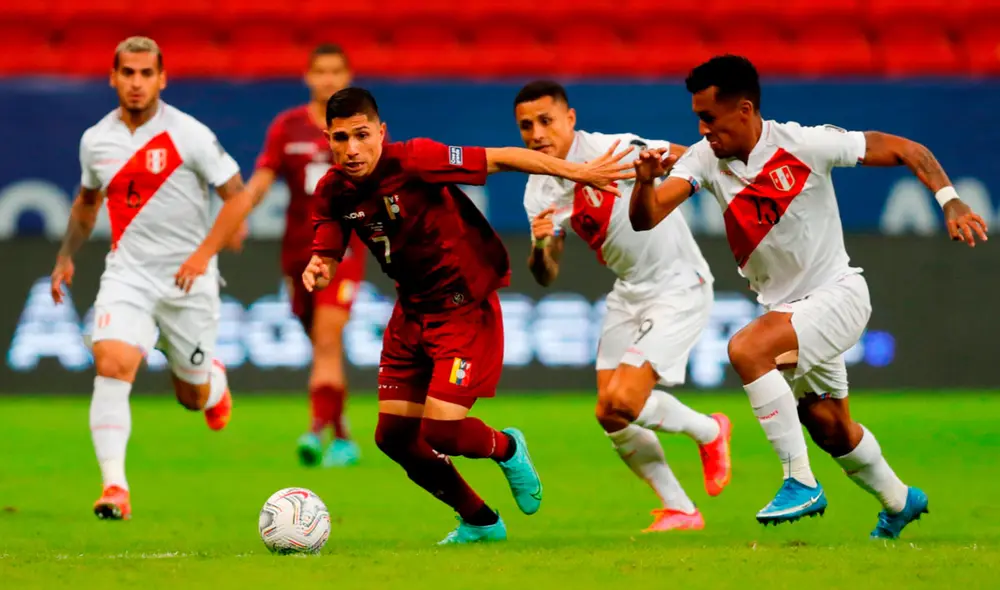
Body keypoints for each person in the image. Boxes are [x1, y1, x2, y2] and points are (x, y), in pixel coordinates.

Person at [629, 54, 988, 539]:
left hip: (838, 295)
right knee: (829, 427)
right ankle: (900, 501)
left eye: (709, 118)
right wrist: (644, 181)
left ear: (746, 109)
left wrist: (950, 200)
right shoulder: (704, 160)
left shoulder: (806, 143)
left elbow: (907, 149)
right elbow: (645, 218)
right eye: (697, 118)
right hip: (789, 311)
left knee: (746, 349)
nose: (702, 128)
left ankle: (799, 481)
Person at [302, 87, 635, 544]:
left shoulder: (417, 159)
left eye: (362, 135)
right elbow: (327, 244)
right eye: (341, 138)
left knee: (440, 430)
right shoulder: (333, 189)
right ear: (328, 138)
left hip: (462, 310)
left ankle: (508, 447)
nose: (352, 149)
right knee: (394, 437)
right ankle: (480, 521)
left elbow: (501, 158)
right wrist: (319, 265)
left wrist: (579, 173)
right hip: (411, 313)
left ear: (381, 132)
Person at [49, 37, 253, 520]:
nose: (136, 83)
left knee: (192, 396)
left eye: (146, 74)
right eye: (128, 73)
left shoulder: (189, 134)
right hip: (129, 275)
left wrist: (204, 255)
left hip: (189, 283)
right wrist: (64, 256)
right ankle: (115, 487)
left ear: (162, 78)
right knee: (112, 361)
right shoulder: (96, 140)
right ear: (113, 77)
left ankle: (214, 385)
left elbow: (238, 196)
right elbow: (86, 203)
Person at [514, 80, 732, 532]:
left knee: (624, 399)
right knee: (608, 413)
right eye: (526, 126)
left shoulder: (614, 150)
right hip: (629, 289)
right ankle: (681, 510)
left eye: (545, 121)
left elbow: (688, 156)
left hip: (678, 285)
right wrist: (538, 245)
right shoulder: (540, 190)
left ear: (570, 119)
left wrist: (722, 184)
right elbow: (546, 274)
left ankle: (710, 431)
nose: (536, 133)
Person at [244, 44, 367, 468]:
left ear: (348, 76)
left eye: (337, 71)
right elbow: (261, 181)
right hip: (297, 254)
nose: (329, 80)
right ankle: (345, 435)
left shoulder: (361, 130)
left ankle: (315, 431)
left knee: (329, 341)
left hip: (342, 251)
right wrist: (238, 214)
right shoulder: (288, 127)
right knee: (320, 345)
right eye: (321, 72)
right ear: (308, 77)